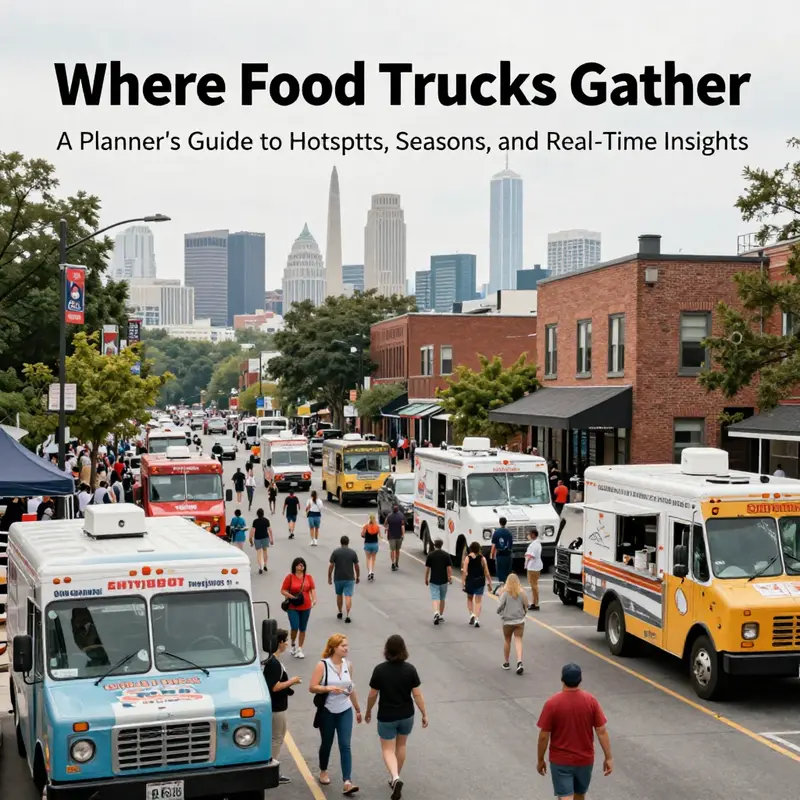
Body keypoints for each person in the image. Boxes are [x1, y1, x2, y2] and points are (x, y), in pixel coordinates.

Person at [365, 634, 428, 800]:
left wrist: (368, 711)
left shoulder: (380, 670)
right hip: (407, 714)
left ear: (386, 650)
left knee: (387, 749)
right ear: (403, 650)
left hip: (387, 715)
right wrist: (424, 713)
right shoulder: (410, 669)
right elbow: (417, 694)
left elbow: (373, 695)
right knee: (401, 746)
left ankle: (395, 777)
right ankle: (395, 777)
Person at [537, 664, 613, 800]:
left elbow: (544, 736)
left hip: (561, 761)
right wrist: (608, 757)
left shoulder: (552, 703)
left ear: (562, 679)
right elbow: (601, 731)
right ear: (580, 679)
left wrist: (540, 759)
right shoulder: (591, 701)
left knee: (565, 797)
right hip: (584, 761)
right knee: (579, 796)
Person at [309, 634, 362, 795]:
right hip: (328, 711)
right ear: (333, 648)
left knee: (345, 744)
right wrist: (328, 688)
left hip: (345, 710)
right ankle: (323, 770)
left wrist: (358, 709)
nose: (346, 648)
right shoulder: (322, 665)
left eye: (347, 645)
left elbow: (350, 688)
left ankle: (347, 781)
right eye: (342, 646)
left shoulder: (348, 665)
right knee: (327, 743)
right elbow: (312, 687)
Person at [263, 628, 301, 785]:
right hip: (277, 708)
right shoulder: (274, 663)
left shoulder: (271, 661)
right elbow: (275, 686)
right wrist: (292, 681)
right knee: (276, 738)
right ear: (280, 643)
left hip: (276, 707)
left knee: (274, 738)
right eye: (285, 641)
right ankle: (271, 770)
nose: (286, 644)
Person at [280, 557, 316, 658]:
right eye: (300, 564)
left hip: (306, 605)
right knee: (295, 627)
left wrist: (314, 599)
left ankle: (300, 648)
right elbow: (283, 590)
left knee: (303, 628)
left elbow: (312, 589)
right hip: (293, 606)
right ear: (295, 566)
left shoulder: (308, 577)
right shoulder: (290, 577)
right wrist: (291, 596)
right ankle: (293, 644)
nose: (302, 566)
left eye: (303, 564)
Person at [496, 574, 527, 674]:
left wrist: (501, 613)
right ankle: (519, 661)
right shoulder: (522, 593)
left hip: (507, 621)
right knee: (518, 640)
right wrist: (523, 613)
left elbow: (499, 607)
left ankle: (506, 662)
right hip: (519, 621)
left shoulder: (505, 593)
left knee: (507, 640)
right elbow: (526, 605)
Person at [328, 536, 360, 623]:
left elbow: (331, 565)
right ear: (348, 542)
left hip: (338, 577)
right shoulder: (352, 553)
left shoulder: (336, 552)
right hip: (349, 578)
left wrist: (329, 576)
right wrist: (358, 576)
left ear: (340, 542)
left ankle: (340, 611)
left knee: (339, 595)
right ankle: (348, 614)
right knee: (348, 596)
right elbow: (356, 566)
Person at [462, 541, 491, 628]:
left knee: (470, 598)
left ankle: (471, 614)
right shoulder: (482, 558)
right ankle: (477, 619)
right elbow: (486, 571)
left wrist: (463, 582)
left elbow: (464, 571)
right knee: (478, 601)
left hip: (470, 580)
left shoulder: (467, 558)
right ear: (479, 549)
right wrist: (489, 582)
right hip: (480, 581)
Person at [424, 538, 452, 625]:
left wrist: (426, 578)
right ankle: (440, 615)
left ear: (434, 545)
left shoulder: (430, 555)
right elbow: (449, 568)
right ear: (441, 545)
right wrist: (449, 578)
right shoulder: (446, 555)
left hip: (434, 580)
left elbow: (427, 568)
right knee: (442, 598)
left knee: (435, 597)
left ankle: (436, 612)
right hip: (444, 580)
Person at [490, 516, 514, 594]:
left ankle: (502, 589)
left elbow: (494, 545)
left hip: (500, 555)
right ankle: (508, 588)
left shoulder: (497, 533)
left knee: (500, 572)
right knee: (507, 572)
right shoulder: (509, 533)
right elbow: (511, 544)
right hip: (508, 555)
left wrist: (491, 554)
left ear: (500, 522)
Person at [249, 508, 274, 574]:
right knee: (265, 551)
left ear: (257, 514)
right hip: (265, 537)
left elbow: (253, 531)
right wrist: (271, 539)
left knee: (259, 553)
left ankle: (261, 567)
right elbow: (270, 530)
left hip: (257, 538)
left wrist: (250, 538)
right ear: (263, 514)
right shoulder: (266, 520)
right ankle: (265, 564)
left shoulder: (255, 521)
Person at [525, 528, 543, 611]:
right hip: (532, 566)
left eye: (529, 534)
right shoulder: (535, 544)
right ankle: (534, 602)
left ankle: (535, 603)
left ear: (533, 535)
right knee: (533, 585)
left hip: (533, 566)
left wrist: (526, 561)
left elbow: (531, 555)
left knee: (534, 585)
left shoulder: (535, 545)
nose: (528, 535)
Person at [384, 504, 406, 571]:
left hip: (391, 536)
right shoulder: (401, 516)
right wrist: (403, 535)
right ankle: (396, 563)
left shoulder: (389, 516)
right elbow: (402, 527)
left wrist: (387, 528)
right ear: (398, 509)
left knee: (392, 550)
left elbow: (385, 524)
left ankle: (393, 563)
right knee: (397, 550)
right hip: (399, 536)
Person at [360, 513, 381, 581]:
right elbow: (380, 535)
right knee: (373, 559)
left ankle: (369, 572)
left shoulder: (366, 526)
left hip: (367, 544)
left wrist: (364, 534)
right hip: (375, 544)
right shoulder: (377, 527)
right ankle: (372, 571)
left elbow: (362, 535)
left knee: (368, 558)